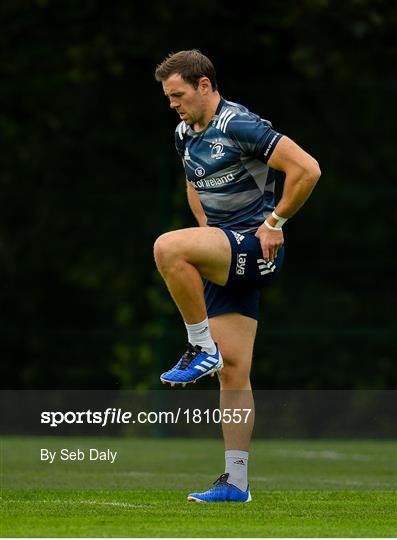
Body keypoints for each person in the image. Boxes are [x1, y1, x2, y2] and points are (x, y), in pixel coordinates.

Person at [153, 49, 320, 502]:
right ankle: (236, 482)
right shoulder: (184, 133)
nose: (173, 104)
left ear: (204, 84)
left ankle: (197, 345)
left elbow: (307, 169)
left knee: (167, 247)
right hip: (226, 251)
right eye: (168, 98)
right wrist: (208, 239)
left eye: (178, 95)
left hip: (256, 247)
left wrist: (273, 224)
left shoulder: (238, 124)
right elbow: (192, 185)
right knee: (234, 373)